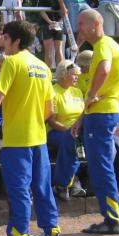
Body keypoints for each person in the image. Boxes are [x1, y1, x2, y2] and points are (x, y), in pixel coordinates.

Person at [0, 20, 60, 236]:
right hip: (39, 138)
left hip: (16, 141)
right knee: (42, 187)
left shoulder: (12, 62)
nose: (2, 42)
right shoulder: (43, 66)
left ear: (16, 40)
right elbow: (49, 109)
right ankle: (50, 233)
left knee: (19, 191)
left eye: (5, 37)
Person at [73, 9, 119, 235]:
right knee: (101, 165)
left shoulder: (103, 45)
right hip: (102, 113)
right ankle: (112, 216)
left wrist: (92, 95)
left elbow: (104, 69)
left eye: (81, 24)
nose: (78, 28)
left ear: (95, 24)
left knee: (101, 166)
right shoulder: (111, 45)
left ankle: (112, 218)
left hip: (102, 114)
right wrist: (82, 115)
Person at [46, 60, 86, 201]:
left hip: (78, 130)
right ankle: (73, 182)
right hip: (57, 131)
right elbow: (51, 121)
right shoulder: (53, 92)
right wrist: (70, 130)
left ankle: (65, 184)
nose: (77, 77)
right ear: (64, 74)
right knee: (73, 143)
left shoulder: (77, 91)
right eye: (74, 74)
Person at [37, 0, 64, 68]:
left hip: (46, 24)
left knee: (48, 50)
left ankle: (48, 72)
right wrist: (59, 21)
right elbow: (64, 11)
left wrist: (49, 22)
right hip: (58, 24)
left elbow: (41, 10)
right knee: (59, 49)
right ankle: (61, 71)